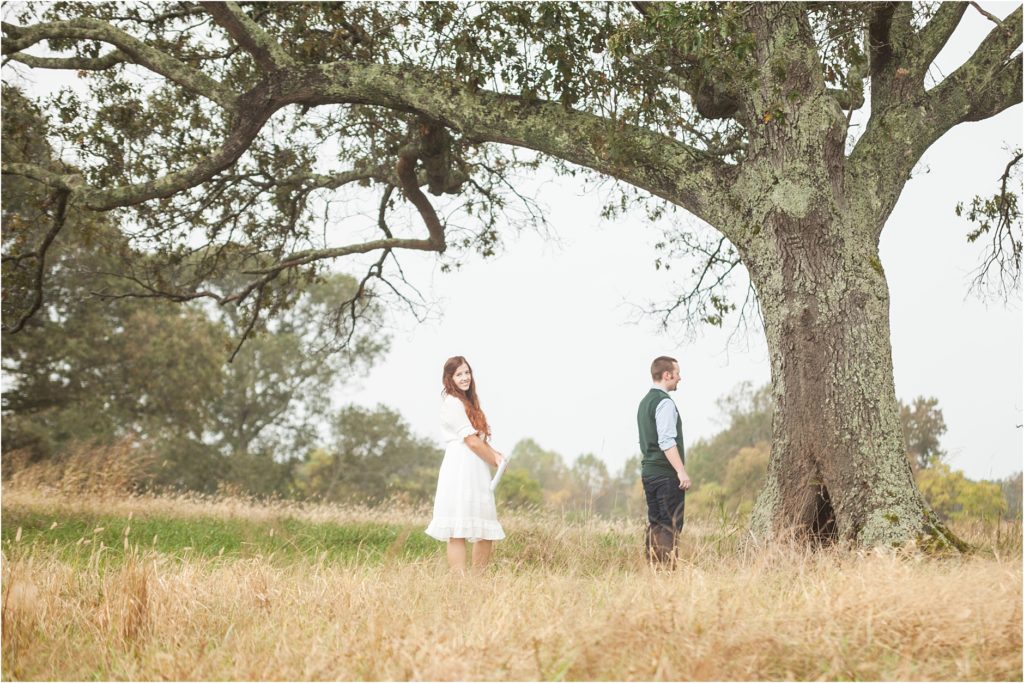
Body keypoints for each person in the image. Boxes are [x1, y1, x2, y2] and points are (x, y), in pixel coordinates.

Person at [425, 356, 506, 575]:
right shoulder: (452, 403)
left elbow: (479, 440)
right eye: (459, 374)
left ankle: (477, 580)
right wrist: (493, 459)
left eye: (467, 372)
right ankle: (460, 583)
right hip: (459, 468)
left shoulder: (469, 403)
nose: (464, 377)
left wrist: (497, 455)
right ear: (449, 378)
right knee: (457, 527)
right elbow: (470, 441)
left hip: (476, 469)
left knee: (484, 526)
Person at [637, 355, 691, 566]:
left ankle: (654, 570)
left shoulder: (644, 403)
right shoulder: (664, 403)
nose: (680, 378)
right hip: (665, 475)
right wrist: (680, 471)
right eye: (677, 374)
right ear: (667, 375)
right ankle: (667, 572)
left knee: (656, 524)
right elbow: (666, 441)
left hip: (649, 473)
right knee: (670, 525)